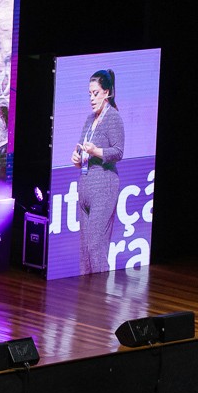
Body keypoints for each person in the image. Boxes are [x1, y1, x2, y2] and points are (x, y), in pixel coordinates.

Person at [69, 68, 124, 274]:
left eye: (96, 93)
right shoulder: (89, 120)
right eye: (90, 94)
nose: (92, 98)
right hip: (86, 185)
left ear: (106, 92)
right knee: (85, 251)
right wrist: (77, 158)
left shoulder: (113, 118)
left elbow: (118, 151)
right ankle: (86, 293)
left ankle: (101, 292)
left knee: (96, 247)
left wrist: (96, 151)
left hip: (104, 185)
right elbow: (81, 149)